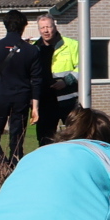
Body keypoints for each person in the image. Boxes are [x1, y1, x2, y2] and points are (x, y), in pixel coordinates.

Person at [0, 9, 45, 164]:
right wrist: (35, 107)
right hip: (22, 98)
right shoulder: (32, 50)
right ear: (23, 26)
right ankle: (14, 168)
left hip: (0, 97)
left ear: (5, 25)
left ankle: (2, 167)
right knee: (17, 139)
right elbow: (36, 80)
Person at [34, 13, 80, 147]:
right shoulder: (35, 48)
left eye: (49, 27)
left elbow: (83, 67)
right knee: (45, 138)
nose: (46, 31)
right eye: (42, 28)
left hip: (69, 99)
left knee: (74, 136)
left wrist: (67, 81)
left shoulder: (71, 45)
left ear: (55, 26)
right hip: (46, 101)